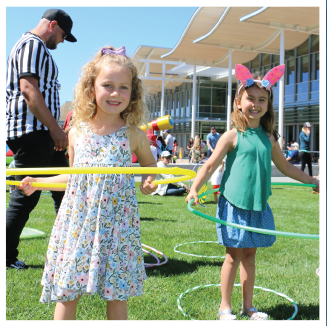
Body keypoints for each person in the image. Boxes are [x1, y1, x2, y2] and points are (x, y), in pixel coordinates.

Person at [18, 45, 158, 320]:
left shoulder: (134, 134)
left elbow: (150, 167)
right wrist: (39, 183)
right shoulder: (77, 132)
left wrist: (149, 180)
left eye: (123, 87)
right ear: (91, 87)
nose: (116, 93)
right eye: (107, 85)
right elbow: (74, 179)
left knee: (117, 292)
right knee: (68, 290)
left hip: (117, 224)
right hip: (78, 222)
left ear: (133, 93)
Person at [186, 64, 319, 320]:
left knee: (250, 257)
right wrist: (195, 188)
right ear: (238, 102)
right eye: (250, 99)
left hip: (257, 205)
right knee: (232, 257)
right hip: (234, 204)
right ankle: (225, 307)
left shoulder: (269, 139)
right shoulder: (232, 136)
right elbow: (210, 164)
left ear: (268, 105)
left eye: (262, 100)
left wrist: (311, 180)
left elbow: (286, 168)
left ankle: (249, 307)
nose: (255, 104)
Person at [6, 9, 77, 270]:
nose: (61, 41)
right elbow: (28, 89)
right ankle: (6, 255)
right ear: (53, 25)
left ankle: (70, 250)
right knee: (26, 196)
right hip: (33, 132)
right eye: (62, 35)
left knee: (65, 190)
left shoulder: (34, 47)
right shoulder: (32, 44)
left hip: (40, 132)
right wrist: (56, 129)